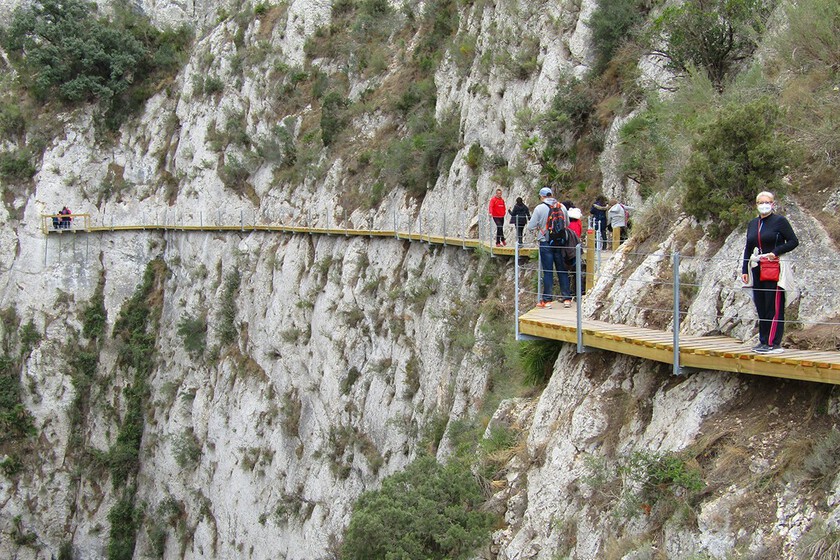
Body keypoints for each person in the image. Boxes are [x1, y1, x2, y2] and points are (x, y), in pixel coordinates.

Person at [740, 191, 799, 354]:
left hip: (774, 267)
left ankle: (773, 343)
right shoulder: (753, 223)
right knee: (761, 304)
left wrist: (776, 252)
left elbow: (793, 241)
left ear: (773, 204)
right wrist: (745, 269)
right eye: (761, 202)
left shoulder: (780, 221)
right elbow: (748, 247)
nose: (764, 205)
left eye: (767, 202)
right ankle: (763, 340)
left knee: (773, 304)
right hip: (757, 267)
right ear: (756, 204)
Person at [526, 187, 571, 308]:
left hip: (545, 242)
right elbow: (567, 224)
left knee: (548, 271)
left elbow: (530, 226)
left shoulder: (539, 208)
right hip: (560, 242)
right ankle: (567, 298)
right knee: (562, 269)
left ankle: (547, 300)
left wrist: (540, 227)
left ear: (542, 196)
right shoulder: (561, 206)